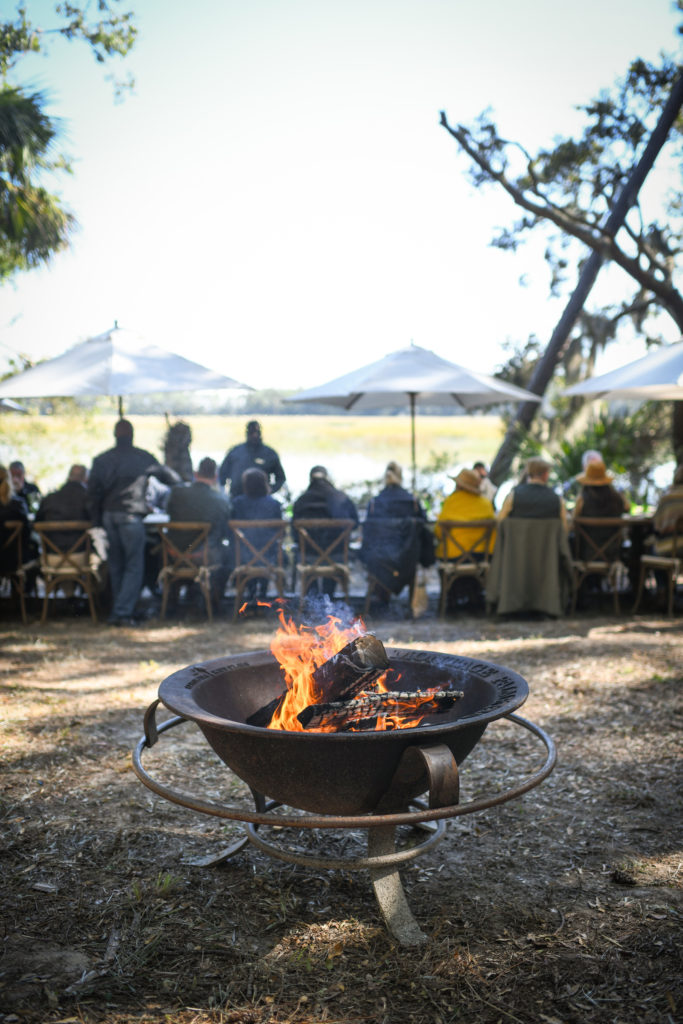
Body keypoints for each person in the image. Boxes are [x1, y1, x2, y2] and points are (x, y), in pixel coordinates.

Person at [87, 419, 180, 626]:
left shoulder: (102, 460)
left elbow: (92, 493)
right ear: (132, 435)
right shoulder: (142, 458)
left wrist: (96, 522)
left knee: (117, 565)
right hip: (130, 516)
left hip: (108, 516)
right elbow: (171, 478)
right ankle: (122, 612)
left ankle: (120, 610)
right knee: (133, 566)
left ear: (115, 435)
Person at [360, 461, 432, 604]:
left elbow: (368, 533)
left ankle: (381, 594)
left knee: (371, 554)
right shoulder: (412, 502)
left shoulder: (375, 502)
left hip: (379, 559)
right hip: (408, 559)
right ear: (401, 477)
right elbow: (423, 527)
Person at [166, 457, 231, 608]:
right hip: (203, 558)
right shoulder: (221, 501)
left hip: (172, 555)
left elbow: (168, 512)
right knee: (229, 554)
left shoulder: (176, 493)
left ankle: (171, 600)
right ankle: (214, 602)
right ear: (215, 477)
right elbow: (223, 532)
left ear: (196, 473)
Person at [292, 465, 359, 598]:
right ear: (328, 478)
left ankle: (313, 601)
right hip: (337, 557)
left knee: (306, 553)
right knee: (333, 550)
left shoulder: (301, 501)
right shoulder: (341, 498)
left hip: (308, 558)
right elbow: (355, 524)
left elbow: (295, 535)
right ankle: (329, 600)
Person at [229, 467, 283, 602]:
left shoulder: (237, 503)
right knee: (266, 547)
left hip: (243, 557)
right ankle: (262, 597)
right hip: (270, 557)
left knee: (246, 549)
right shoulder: (274, 504)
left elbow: (231, 533)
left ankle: (251, 596)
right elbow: (279, 532)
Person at [435, 467, 496, 558]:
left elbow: (439, 532)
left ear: (459, 485)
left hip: (453, 555)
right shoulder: (486, 503)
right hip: (483, 555)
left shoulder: (451, 502)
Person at [573, 458, 628, 558]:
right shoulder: (617, 499)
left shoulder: (582, 500)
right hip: (613, 553)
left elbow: (574, 519)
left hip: (586, 553)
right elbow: (627, 508)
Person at [218, 420, 286, 499]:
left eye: (256, 432)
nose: (254, 435)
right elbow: (222, 474)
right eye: (251, 432)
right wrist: (223, 493)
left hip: (261, 499)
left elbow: (281, 478)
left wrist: (271, 489)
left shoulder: (270, 453)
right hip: (237, 497)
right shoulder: (235, 452)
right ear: (247, 433)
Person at [498, 457, 568, 529]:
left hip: (517, 540)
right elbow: (564, 528)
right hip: (547, 540)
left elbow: (500, 521)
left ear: (528, 473)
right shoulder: (557, 500)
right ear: (546, 474)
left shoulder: (513, 496)